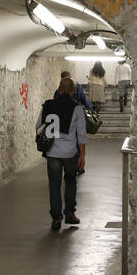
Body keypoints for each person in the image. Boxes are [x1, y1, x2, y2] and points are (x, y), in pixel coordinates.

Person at [37, 77, 87, 230]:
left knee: (54, 184)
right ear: (73, 92)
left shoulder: (48, 105)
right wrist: (82, 155)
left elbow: (38, 126)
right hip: (70, 152)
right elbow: (81, 133)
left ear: (59, 90)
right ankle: (70, 213)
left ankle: (56, 218)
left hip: (52, 152)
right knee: (71, 181)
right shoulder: (77, 107)